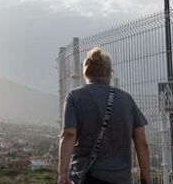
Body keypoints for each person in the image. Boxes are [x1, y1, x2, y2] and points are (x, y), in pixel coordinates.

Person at [58, 47, 151, 184]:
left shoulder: (74, 97)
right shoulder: (126, 100)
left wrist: (62, 173)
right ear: (110, 73)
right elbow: (141, 143)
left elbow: (69, 134)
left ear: (85, 73)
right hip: (120, 178)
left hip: (85, 176)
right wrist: (146, 177)